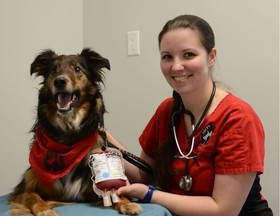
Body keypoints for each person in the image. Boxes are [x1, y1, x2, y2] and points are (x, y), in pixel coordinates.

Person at [105, 14, 273, 216]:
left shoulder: (237, 118)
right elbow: (143, 175)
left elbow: (224, 210)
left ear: (211, 57)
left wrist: (150, 195)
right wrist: (101, 140)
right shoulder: (167, 111)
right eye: (167, 56)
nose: (176, 66)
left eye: (188, 55)